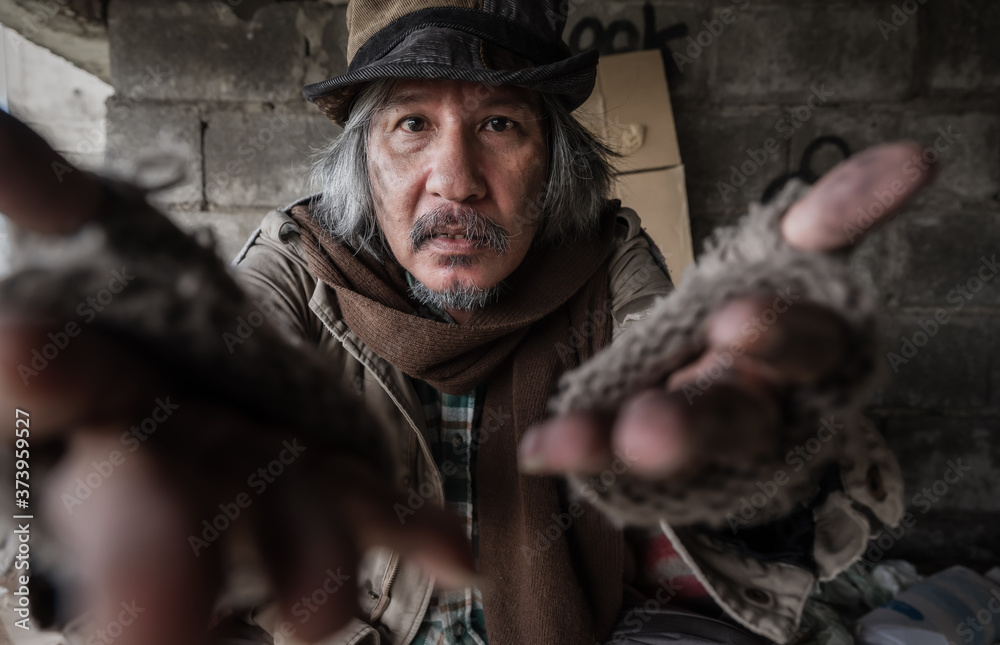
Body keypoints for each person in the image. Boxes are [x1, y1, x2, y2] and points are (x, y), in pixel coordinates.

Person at [0, 1, 932, 644]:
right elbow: (216, 369)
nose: (453, 179)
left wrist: (764, 469)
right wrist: (61, 471)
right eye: (411, 124)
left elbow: (689, 403)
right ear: (362, 162)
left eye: (499, 125)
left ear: (553, 165)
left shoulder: (608, 267)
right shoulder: (296, 267)